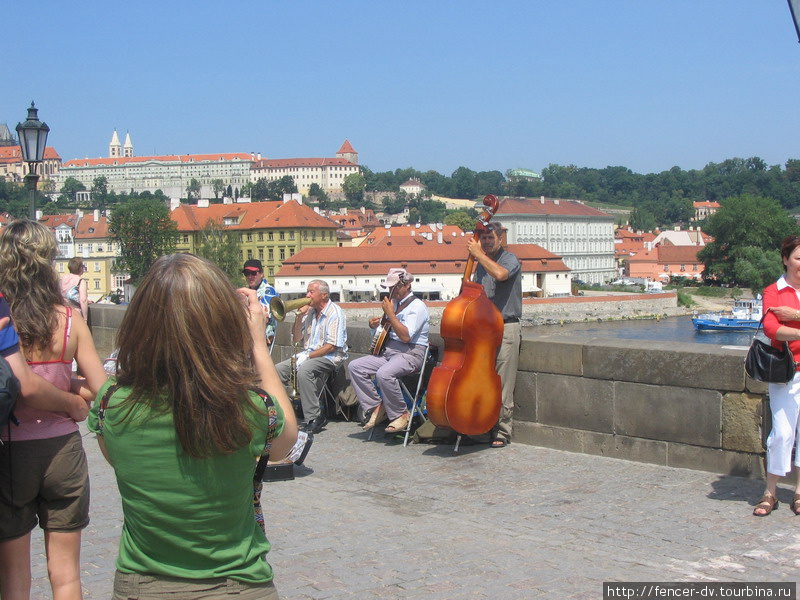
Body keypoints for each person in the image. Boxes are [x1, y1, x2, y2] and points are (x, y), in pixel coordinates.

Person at [86, 253, 298, 599]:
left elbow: (117, 458)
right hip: (237, 584)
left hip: (142, 584)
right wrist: (258, 344)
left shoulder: (112, 402)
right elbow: (285, 440)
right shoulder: (250, 406)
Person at [0, 220, 108, 600]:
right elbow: (101, 388)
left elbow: (22, 384)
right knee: (66, 576)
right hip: (63, 448)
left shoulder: (3, 317)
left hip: (11, 450)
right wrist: (71, 389)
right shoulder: (68, 319)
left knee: (14, 576)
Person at [348, 268, 429, 433]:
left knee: (384, 374)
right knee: (355, 367)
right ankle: (377, 407)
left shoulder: (417, 306)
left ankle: (401, 414)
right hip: (389, 351)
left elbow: (406, 336)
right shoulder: (395, 304)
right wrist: (374, 327)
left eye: (394, 287)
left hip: (410, 353)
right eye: (389, 287)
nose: (390, 291)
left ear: (406, 285)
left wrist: (391, 315)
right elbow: (385, 332)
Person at [753, 235, 800, 516]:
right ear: (785, 259)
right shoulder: (774, 290)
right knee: (782, 433)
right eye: (798, 258)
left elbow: (784, 324)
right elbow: (772, 329)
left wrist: (794, 316)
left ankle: (798, 491)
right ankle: (770, 491)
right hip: (786, 371)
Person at [466, 221, 522, 448]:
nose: (487, 242)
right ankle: (481, 426)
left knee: (502, 383)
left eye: (491, 238)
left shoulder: (510, 259)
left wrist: (478, 255)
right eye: (484, 238)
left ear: (500, 239)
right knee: (483, 381)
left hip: (506, 326)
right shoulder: (479, 263)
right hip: (483, 329)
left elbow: (500, 274)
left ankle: (502, 431)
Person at [275, 280, 347, 434]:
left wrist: (308, 357)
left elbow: (332, 346)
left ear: (324, 295)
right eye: (307, 292)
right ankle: (283, 412)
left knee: (305, 370)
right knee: (278, 370)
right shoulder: (310, 313)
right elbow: (296, 339)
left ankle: (314, 417)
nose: (307, 295)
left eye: (311, 292)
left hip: (331, 357)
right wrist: (299, 317)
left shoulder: (335, 312)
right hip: (309, 353)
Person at [242, 259, 279, 345]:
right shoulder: (246, 291)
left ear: (262, 273)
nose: (250, 276)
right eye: (247, 273)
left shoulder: (269, 291)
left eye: (253, 273)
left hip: (262, 341)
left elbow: (263, 318)